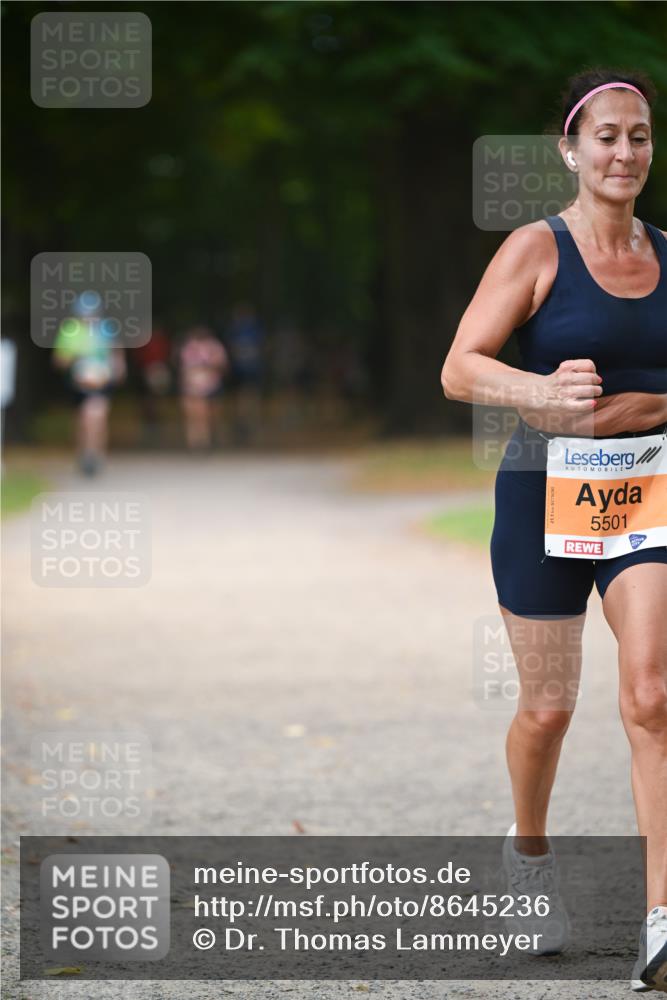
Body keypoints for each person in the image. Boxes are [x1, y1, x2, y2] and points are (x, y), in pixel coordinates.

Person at [441, 69, 666, 991]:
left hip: (650, 490)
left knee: (651, 696)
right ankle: (527, 855)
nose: (624, 153)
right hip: (542, 490)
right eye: (606, 136)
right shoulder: (536, 249)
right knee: (547, 708)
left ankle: (660, 917)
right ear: (570, 149)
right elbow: (459, 367)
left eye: (640, 136)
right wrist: (538, 393)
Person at [53, 290, 126, 476]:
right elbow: (59, 360)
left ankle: (95, 456)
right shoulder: (69, 330)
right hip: (78, 384)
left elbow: (116, 353)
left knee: (96, 415)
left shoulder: (106, 329)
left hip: (101, 382)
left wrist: (118, 368)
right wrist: (75, 356)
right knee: (83, 420)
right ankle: (84, 453)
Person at [178, 325, 228, 450]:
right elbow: (184, 368)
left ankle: (205, 442)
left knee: (206, 416)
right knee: (194, 416)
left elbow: (221, 365)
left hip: (209, 384)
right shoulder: (189, 347)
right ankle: (197, 444)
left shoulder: (214, 346)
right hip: (192, 385)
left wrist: (208, 369)